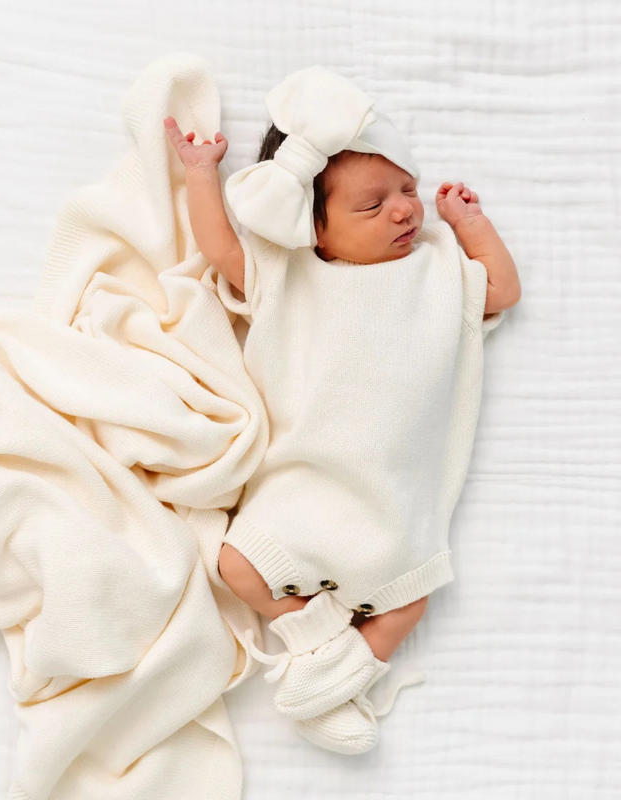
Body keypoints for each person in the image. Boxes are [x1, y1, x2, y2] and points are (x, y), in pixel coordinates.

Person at [164, 65, 521, 755]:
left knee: (409, 596)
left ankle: (340, 676)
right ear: (314, 230)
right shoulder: (293, 277)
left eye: (407, 191)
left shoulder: (435, 273)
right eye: (373, 205)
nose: (404, 211)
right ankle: (324, 652)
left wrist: (470, 225)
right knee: (238, 564)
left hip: (392, 500)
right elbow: (221, 247)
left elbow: (500, 290)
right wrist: (202, 175)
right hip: (304, 482)